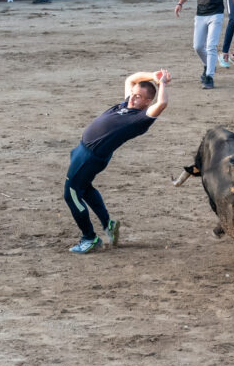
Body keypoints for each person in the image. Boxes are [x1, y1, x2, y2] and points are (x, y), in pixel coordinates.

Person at [62, 69, 170, 254]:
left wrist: (163, 84)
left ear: (146, 102)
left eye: (138, 97)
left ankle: (89, 238)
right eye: (133, 94)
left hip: (89, 158)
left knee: (71, 193)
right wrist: (153, 76)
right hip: (82, 151)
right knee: (84, 188)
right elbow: (131, 79)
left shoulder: (140, 118)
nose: (132, 99)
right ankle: (108, 224)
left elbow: (162, 103)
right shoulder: (128, 104)